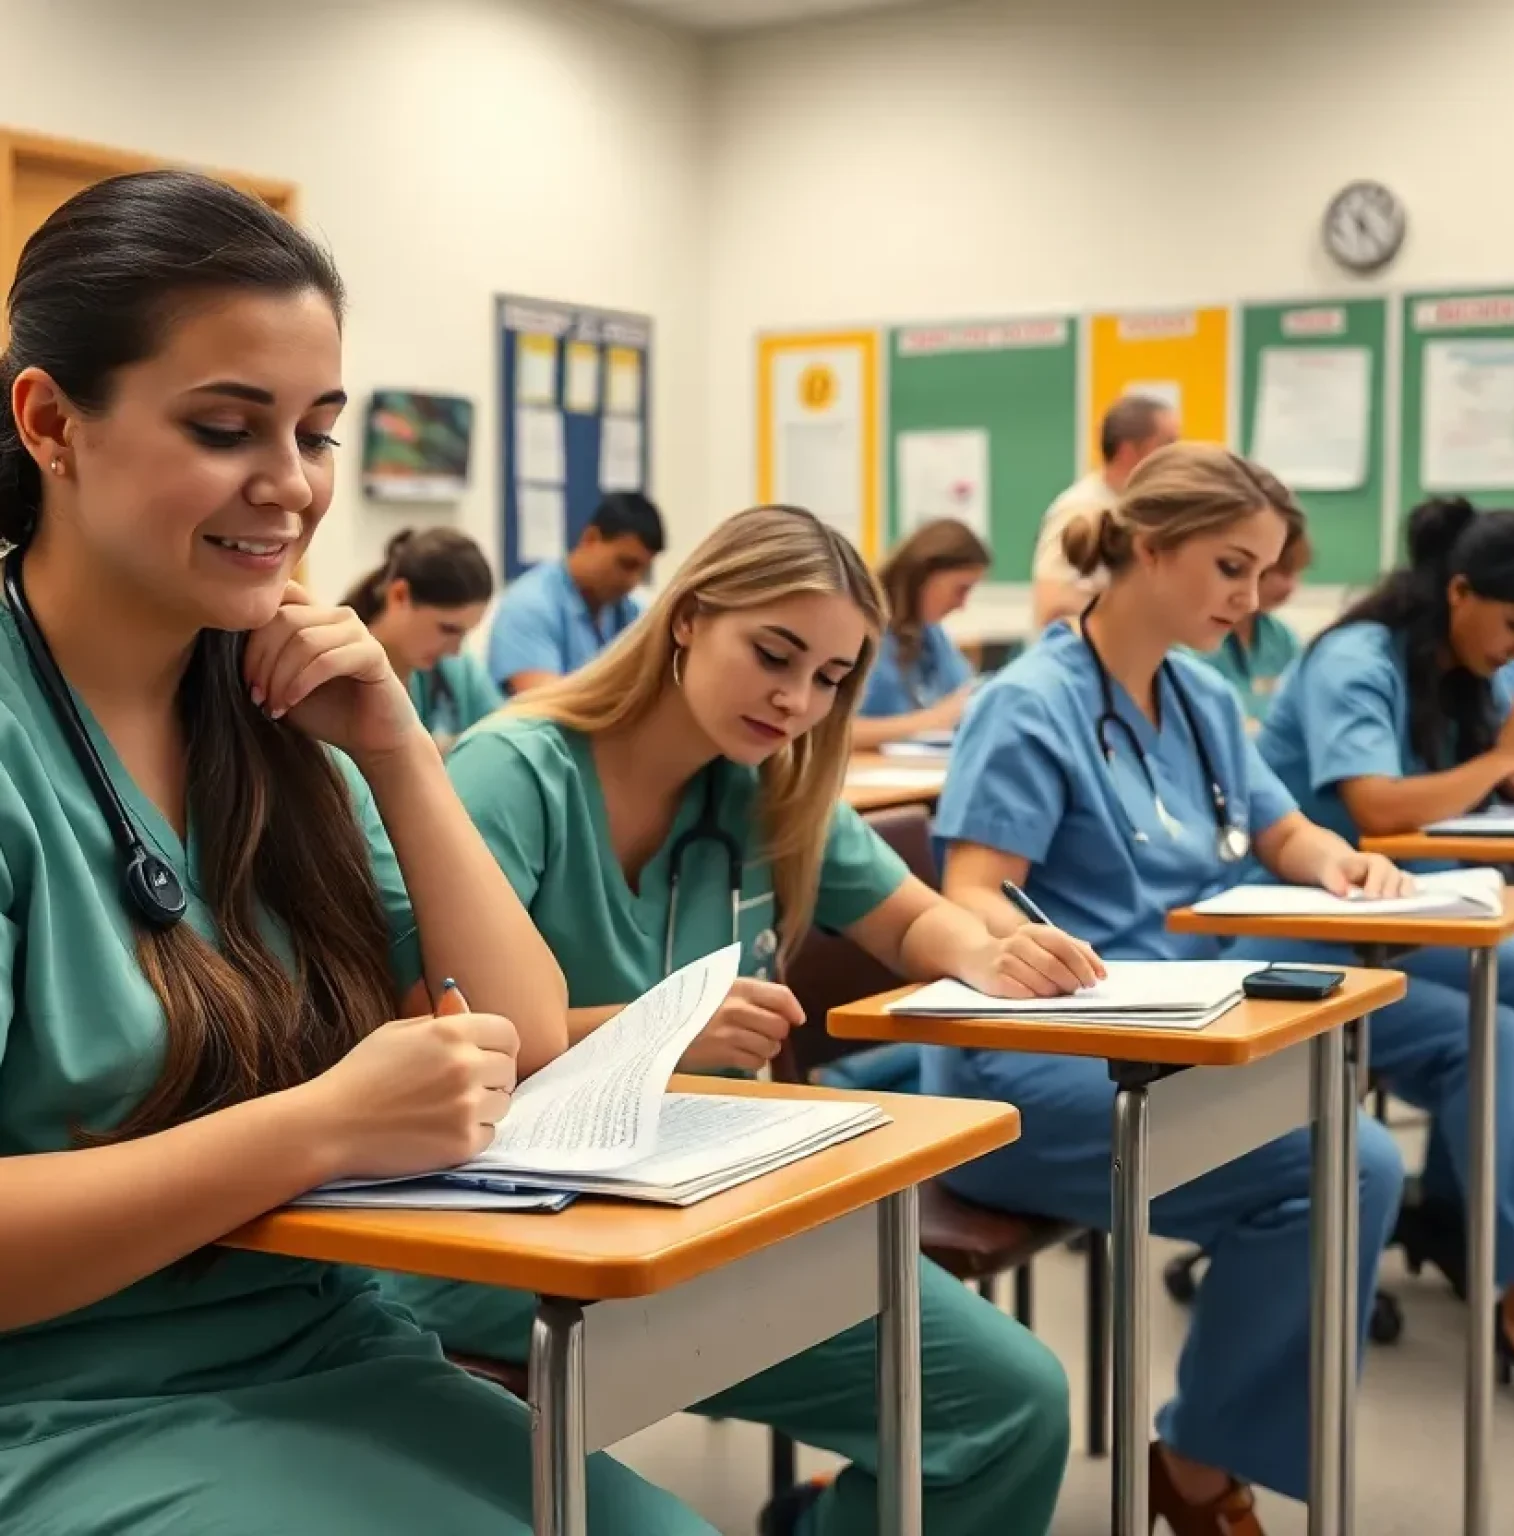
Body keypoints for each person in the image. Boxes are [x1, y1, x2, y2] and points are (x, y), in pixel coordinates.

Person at [0, 170, 715, 1536]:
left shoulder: (276, 712)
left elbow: (525, 1030)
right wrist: (319, 1125)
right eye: (226, 427)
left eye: (318, 432)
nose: (293, 487)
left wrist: (392, 745)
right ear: (50, 423)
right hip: (54, 1398)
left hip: (327, 1342)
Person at [373, 504, 1083, 1536]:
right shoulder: (515, 773)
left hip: (715, 1200)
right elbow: (422, 1032)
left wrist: (985, 948)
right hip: (502, 1224)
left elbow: (907, 917)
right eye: (774, 653)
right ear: (689, 619)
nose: (797, 700)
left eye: (832, 678)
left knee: (1011, 1408)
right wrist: (654, 1030)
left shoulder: (762, 787)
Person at [930, 442, 1407, 1535]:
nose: (1250, 600)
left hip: (1180, 1035)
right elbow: (974, 892)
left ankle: (1199, 1455)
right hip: (1032, 1062)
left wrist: (1336, 861)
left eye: (1262, 574)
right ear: (1149, 549)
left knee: (1348, 1151)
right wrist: (1025, 947)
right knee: (1345, 1158)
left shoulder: (1195, 690)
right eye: (1231, 569)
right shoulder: (1031, 702)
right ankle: (1198, 1474)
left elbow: (1277, 823)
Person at [1258, 496, 1514, 1388]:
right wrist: (1496, 764)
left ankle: (1467, 1209)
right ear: (1459, 592)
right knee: (1496, 1027)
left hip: (1400, 916)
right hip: (1305, 924)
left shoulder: (1463, 674)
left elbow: (1451, 799)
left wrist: (1503, 768)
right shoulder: (1357, 657)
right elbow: (1376, 808)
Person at [487, 490, 664, 695]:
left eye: (643, 571)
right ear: (591, 538)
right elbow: (544, 704)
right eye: (626, 564)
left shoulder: (628, 613)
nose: (633, 581)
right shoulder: (529, 606)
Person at [1030, 393, 1178, 632]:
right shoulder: (1080, 508)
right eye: (1167, 444)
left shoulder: (1148, 509)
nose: (1176, 456)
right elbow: (1052, 604)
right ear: (1128, 451)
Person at [342, 527, 501, 747]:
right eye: (447, 629)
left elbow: (501, 738)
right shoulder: (338, 673)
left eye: (464, 634)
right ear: (399, 596)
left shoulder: (460, 672)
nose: (455, 650)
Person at [853, 517, 989, 749]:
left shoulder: (930, 633)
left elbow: (963, 696)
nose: (962, 605)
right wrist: (930, 721)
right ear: (925, 573)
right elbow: (829, 732)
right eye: (960, 589)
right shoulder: (861, 625)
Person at [1187, 511, 1309, 726]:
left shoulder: (1280, 638)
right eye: (1282, 572)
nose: (1290, 587)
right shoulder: (1192, 639)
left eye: (1297, 573)